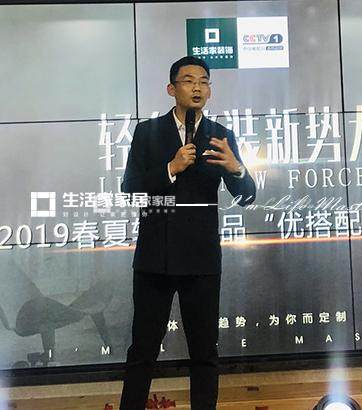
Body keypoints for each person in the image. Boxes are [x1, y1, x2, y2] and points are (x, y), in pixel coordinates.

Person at [119, 56, 256, 410]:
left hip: (201, 260)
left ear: (209, 91)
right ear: (171, 88)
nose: (197, 87)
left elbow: (246, 197)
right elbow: (130, 190)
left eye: (204, 82)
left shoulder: (220, 136)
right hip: (155, 259)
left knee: (204, 353)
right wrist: (171, 167)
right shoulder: (147, 133)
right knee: (142, 351)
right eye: (189, 80)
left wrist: (236, 169)